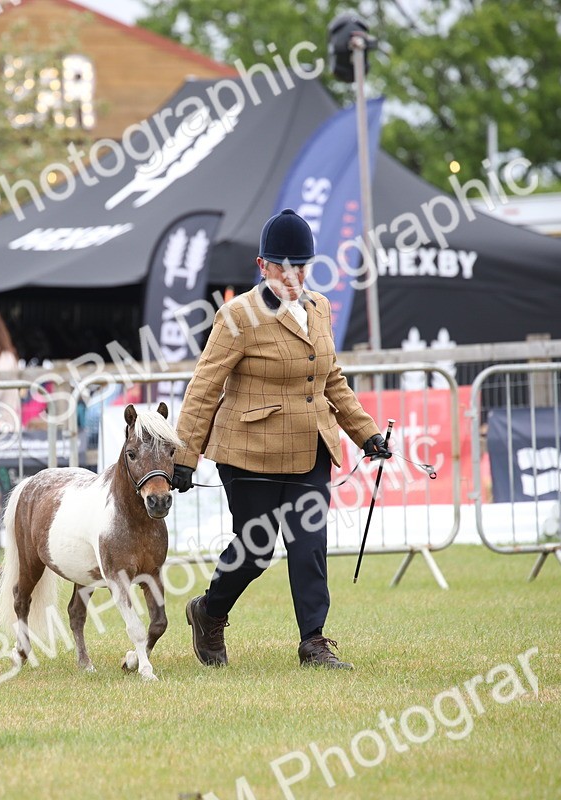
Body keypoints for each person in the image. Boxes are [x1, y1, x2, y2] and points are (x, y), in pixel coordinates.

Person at [170, 209, 392, 670]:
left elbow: (332, 379)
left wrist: (366, 432)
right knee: (256, 547)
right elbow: (205, 386)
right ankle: (209, 612)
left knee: (309, 544)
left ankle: (313, 641)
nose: (293, 277)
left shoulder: (320, 308)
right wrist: (184, 456)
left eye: (301, 267)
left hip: (310, 447)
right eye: (282, 267)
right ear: (263, 265)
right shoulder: (237, 316)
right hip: (249, 451)